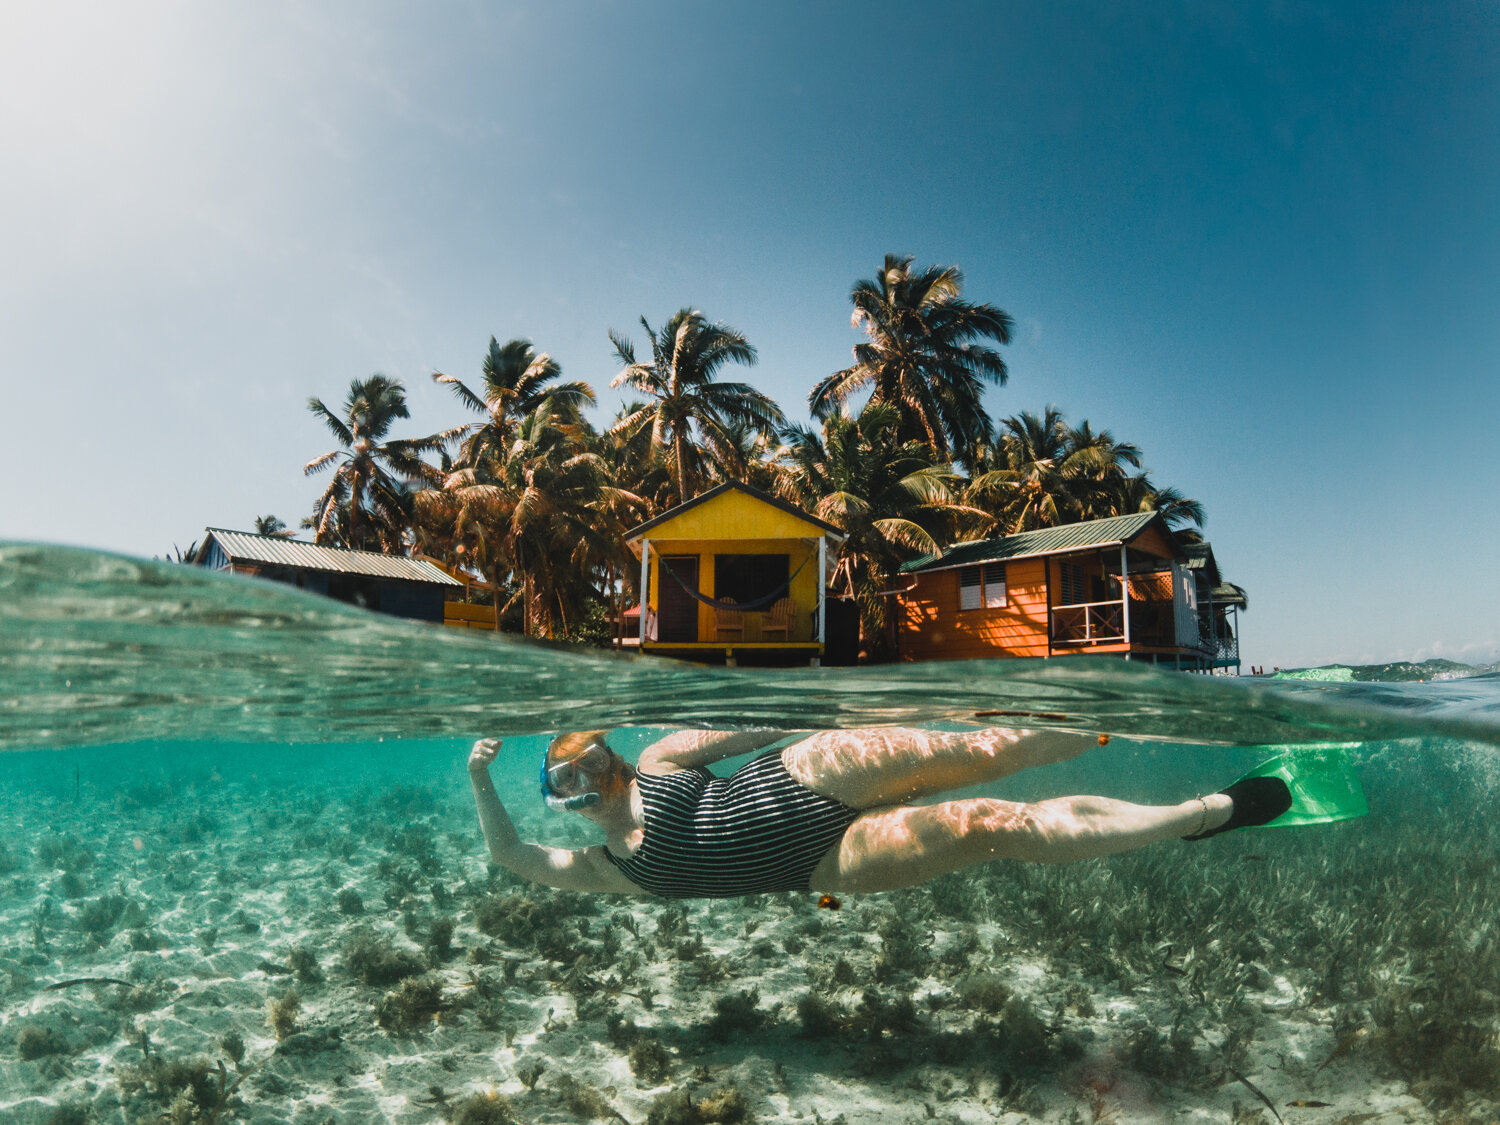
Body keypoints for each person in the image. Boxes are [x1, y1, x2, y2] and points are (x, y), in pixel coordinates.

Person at [467, 726, 1291, 899]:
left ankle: (1099, 714)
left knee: (990, 749)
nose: (598, 774)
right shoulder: (610, 872)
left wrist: (832, 705)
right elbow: (511, 858)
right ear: (561, 801)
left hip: (804, 772)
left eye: (597, 755)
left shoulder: (656, 759)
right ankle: (1206, 812)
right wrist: (480, 780)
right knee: (997, 826)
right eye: (575, 776)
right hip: (824, 865)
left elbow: (768, 721)